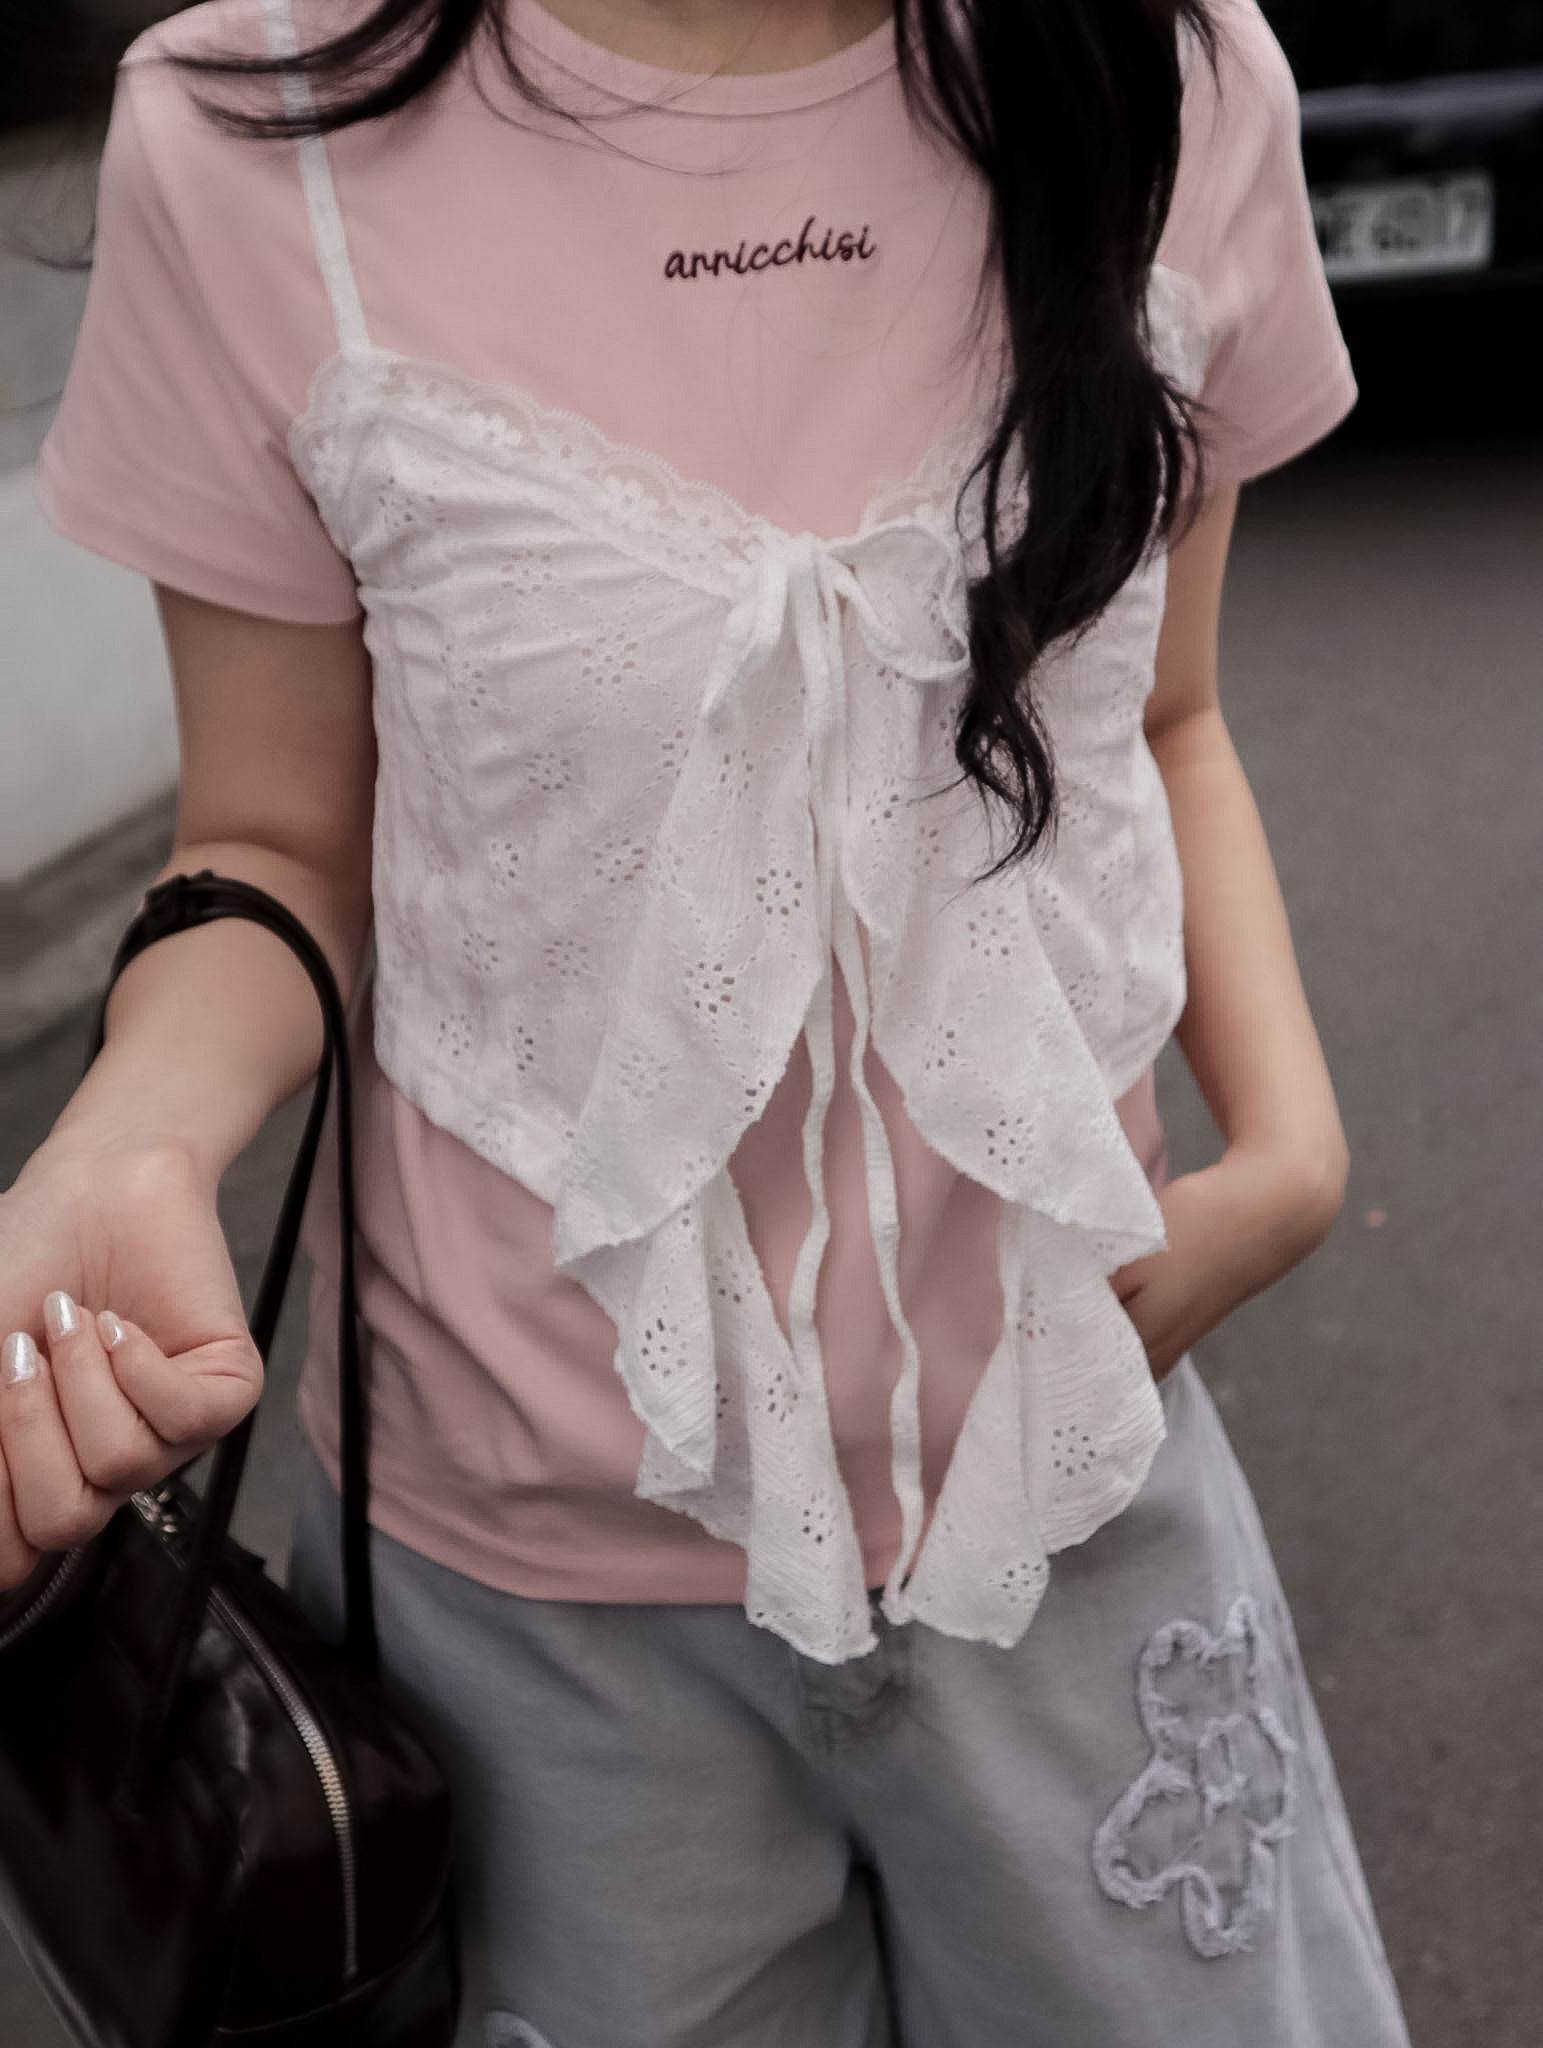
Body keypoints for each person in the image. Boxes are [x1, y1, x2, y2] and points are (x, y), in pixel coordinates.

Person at [0, 0, 1412, 2040]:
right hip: (531, 1608)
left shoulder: (1171, 75)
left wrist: (1287, 1154)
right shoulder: (252, 138)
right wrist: (126, 1138)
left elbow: (1163, 717)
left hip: (1067, 1472)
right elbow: (274, 837)